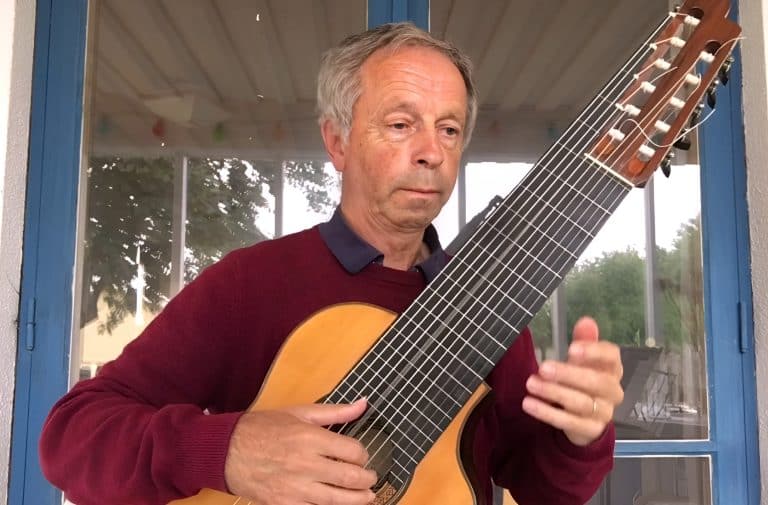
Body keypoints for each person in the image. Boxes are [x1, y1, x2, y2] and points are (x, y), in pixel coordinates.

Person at [40, 22, 624, 505]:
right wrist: (228, 451)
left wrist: (581, 435)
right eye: (401, 125)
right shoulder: (252, 283)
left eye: (449, 129)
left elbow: (543, 488)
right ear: (338, 142)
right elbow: (70, 437)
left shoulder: (486, 301)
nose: (431, 151)